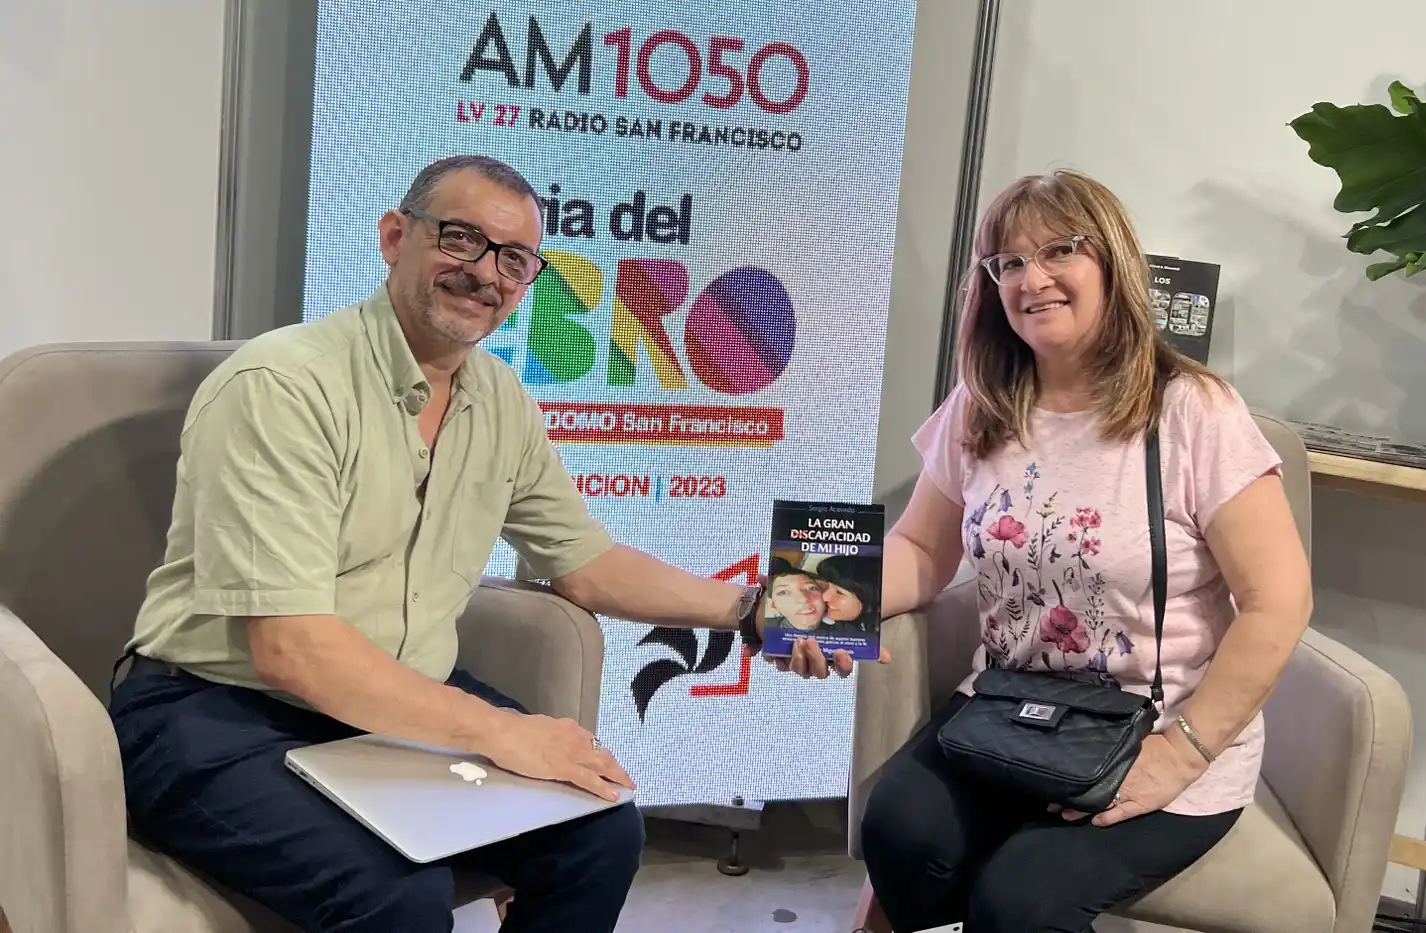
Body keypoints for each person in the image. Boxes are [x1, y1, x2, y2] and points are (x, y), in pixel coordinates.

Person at [107, 154, 832, 933]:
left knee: (600, 832)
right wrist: (501, 731)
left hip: (387, 706)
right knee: (397, 897)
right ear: (394, 236)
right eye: (461, 239)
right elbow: (294, 650)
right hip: (214, 707)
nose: (485, 273)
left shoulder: (501, 402)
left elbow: (588, 565)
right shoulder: (285, 385)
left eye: (514, 259)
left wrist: (756, 610)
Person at [776, 170, 1312, 933]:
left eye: (1060, 250)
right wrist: (813, 607)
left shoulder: (1194, 410)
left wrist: (1182, 752)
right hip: (1007, 711)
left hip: (1155, 729)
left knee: (1021, 899)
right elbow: (922, 549)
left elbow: (1279, 599)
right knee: (897, 827)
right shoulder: (983, 403)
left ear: (1112, 262)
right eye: (1009, 263)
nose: (1034, 279)